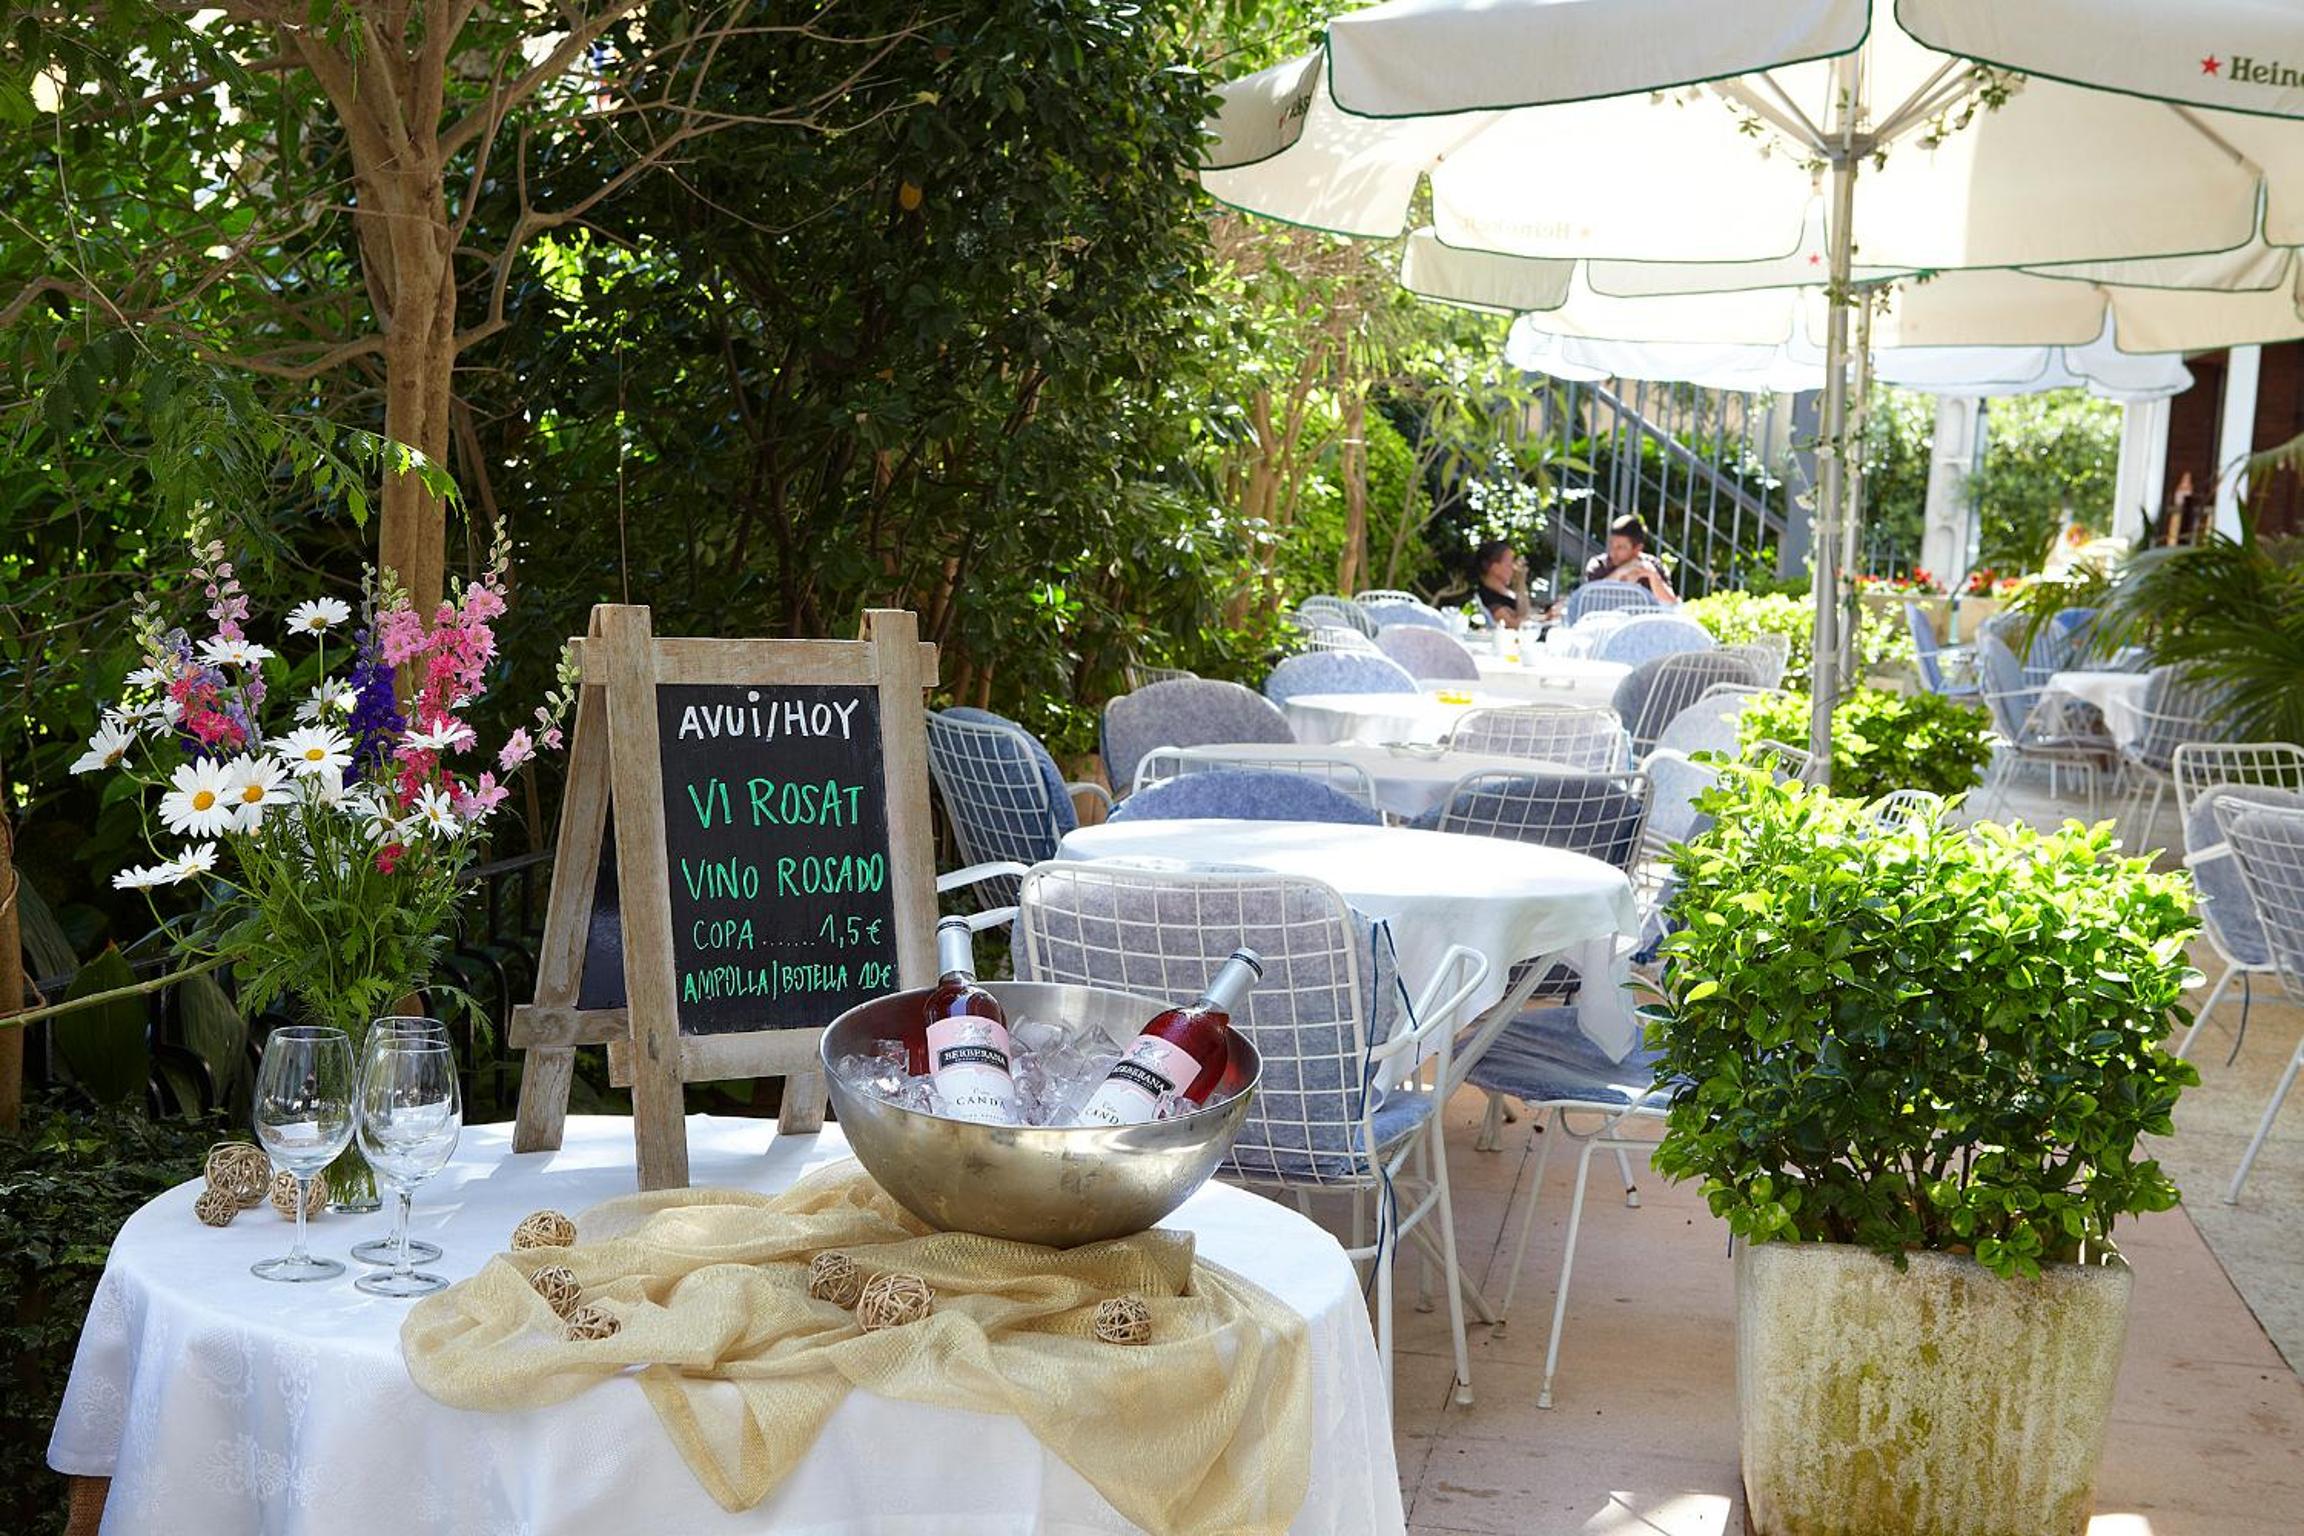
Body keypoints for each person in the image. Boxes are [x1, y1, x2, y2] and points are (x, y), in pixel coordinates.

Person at [1560, 515, 1677, 614]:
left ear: (1637, 548)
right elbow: (1591, 598)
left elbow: (1671, 604)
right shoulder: (1599, 565)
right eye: (1611, 544)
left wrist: (1653, 576)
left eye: (1620, 547)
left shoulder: (1652, 565)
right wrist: (1620, 573)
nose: (1612, 552)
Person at [1468, 539, 1532, 629]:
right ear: (1494, 568)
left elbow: (1524, 614)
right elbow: (1513, 624)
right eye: (1509, 564)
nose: (1514, 568)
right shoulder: (1488, 597)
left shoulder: (1506, 593)